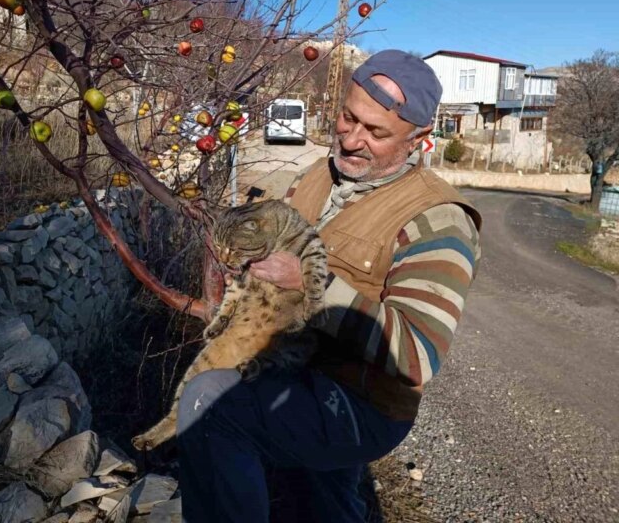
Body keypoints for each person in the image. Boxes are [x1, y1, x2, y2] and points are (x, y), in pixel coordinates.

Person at [176, 49, 483, 522]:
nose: (352, 139)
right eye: (347, 117)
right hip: (299, 370)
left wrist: (313, 286)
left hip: (363, 404)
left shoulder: (439, 221)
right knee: (324, 499)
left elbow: (417, 356)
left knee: (211, 403)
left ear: (419, 139)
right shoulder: (319, 174)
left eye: (376, 132)